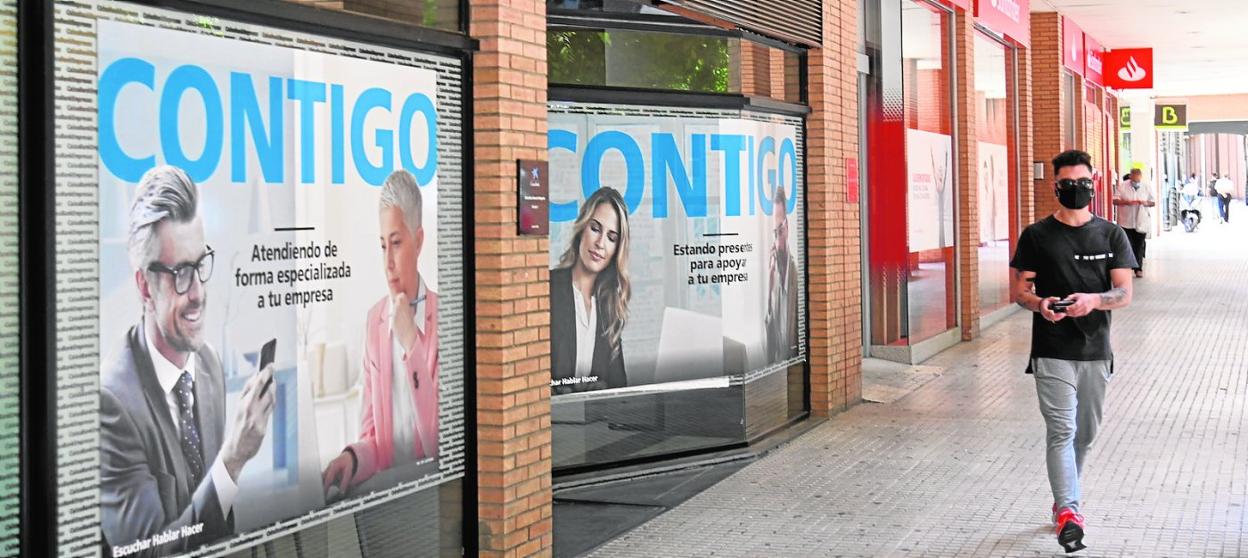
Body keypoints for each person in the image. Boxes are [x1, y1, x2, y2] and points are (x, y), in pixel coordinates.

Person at [100, 166, 276, 555]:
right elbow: (151, 551)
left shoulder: (207, 365)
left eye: (200, 265)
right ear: (145, 286)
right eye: (180, 272)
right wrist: (233, 459)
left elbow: (217, 521)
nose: (197, 292)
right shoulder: (111, 404)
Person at [1010, 150, 1136, 553]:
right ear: (1056, 187)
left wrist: (1093, 300)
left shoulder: (1111, 235)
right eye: (1068, 184)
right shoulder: (1037, 235)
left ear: (1093, 184)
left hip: (1096, 350)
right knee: (1061, 431)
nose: (1075, 189)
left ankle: (1066, 499)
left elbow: (1124, 293)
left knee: (1085, 434)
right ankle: (1069, 512)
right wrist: (1040, 304)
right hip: (1051, 350)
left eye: (1082, 183)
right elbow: (1021, 291)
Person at [323, 170, 440, 499]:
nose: (388, 262)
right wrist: (353, 458)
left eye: (397, 243)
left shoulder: (444, 319)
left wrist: (411, 343)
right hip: (388, 500)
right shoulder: (374, 322)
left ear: (419, 241)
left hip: (434, 496)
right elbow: (374, 438)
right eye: (382, 245)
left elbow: (440, 444)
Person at [549, 187, 631, 395]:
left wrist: (602, 389)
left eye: (611, 237)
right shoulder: (548, 289)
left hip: (593, 415)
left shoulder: (609, 306)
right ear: (582, 229)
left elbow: (619, 388)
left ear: (617, 250)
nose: (600, 243)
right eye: (595, 228)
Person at [765, 185, 799, 364]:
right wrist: (769, 289)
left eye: (780, 231)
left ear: (788, 227)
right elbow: (771, 350)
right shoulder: (775, 278)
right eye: (774, 233)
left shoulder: (798, 276)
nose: (778, 243)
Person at [1113, 168, 1155, 278]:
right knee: (1128, 245)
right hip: (1125, 221)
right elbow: (1114, 200)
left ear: (1140, 177)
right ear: (1130, 176)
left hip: (1141, 221)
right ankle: (1127, 267)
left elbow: (1153, 202)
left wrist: (1144, 203)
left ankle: (1138, 268)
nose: (1136, 182)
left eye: (1138, 180)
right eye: (1134, 180)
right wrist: (1126, 202)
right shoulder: (1122, 186)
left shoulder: (1146, 187)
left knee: (1139, 245)